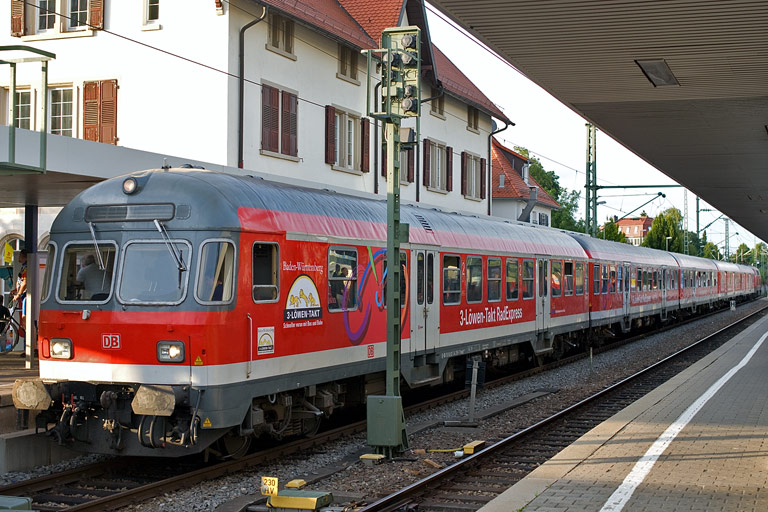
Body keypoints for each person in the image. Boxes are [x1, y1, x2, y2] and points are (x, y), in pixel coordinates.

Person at [10, 249, 27, 328]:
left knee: (25, 319)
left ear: (25, 257)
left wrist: (18, 294)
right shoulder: (23, 267)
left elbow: (24, 282)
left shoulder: (26, 267)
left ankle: (29, 338)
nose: (19, 257)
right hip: (23, 295)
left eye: (20, 255)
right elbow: (21, 281)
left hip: (26, 295)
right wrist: (16, 290)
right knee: (23, 319)